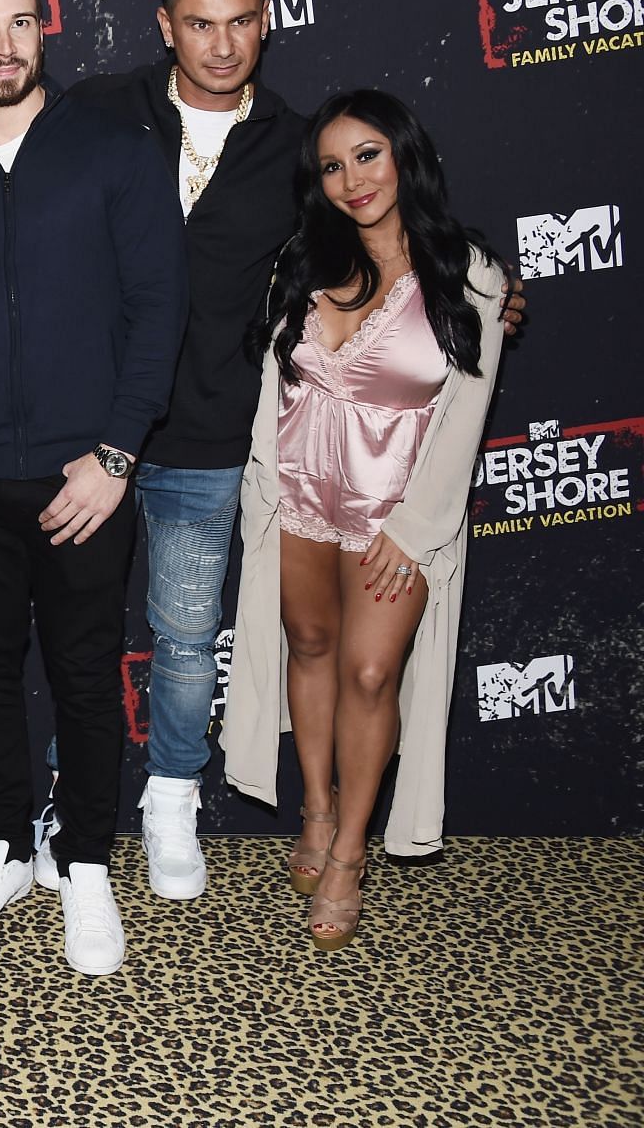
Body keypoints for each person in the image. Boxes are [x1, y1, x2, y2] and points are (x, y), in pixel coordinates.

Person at [0, 0, 527, 885]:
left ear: (265, 24)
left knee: (188, 638)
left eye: (240, 22)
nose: (222, 44)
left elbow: (381, 217)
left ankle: (173, 800)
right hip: (80, 432)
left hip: (208, 433)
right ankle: (69, 814)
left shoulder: (298, 144)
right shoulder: (103, 112)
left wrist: (483, 284)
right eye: (200, 23)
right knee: (77, 642)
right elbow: (2, 131)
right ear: (166, 26)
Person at [0, 0, 187, 974]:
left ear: (43, 34)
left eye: (21, 23)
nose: (4, 44)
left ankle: (89, 858)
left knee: (81, 669)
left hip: (85, 472)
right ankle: (3, 844)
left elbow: (159, 310)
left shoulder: (114, 148)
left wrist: (114, 455)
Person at [223, 90, 507, 951]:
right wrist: (267, 488)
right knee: (307, 646)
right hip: (298, 497)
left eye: (369, 155)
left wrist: (417, 528)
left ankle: (350, 852)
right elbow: (281, 389)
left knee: (372, 672)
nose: (353, 179)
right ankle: (316, 806)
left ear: (405, 155)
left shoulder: (474, 277)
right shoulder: (301, 264)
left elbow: (467, 415)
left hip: (397, 516)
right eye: (333, 165)